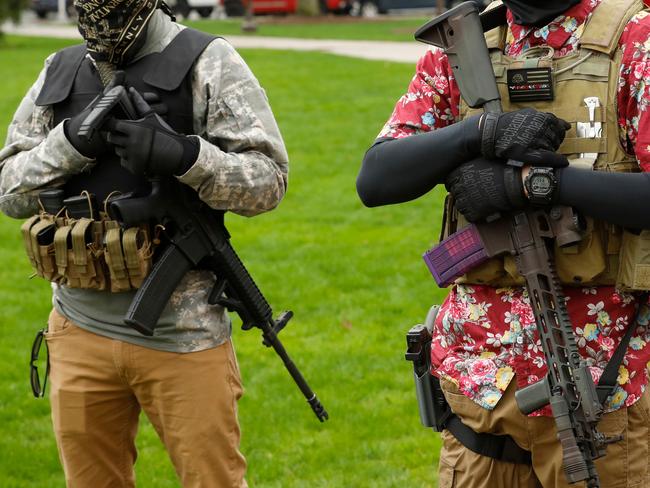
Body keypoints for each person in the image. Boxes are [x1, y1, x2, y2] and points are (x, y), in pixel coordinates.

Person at [357, 0, 650, 486]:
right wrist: (477, 134)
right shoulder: (464, 45)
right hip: (479, 390)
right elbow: (377, 177)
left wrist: (537, 187)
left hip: (600, 388)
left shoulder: (635, 40)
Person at [0, 0, 288, 486]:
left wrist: (185, 156)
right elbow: (9, 190)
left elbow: (268, 182)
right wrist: (69, 144)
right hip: (77, 329)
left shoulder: (208, 61)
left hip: (183, 335)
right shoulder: (62, 69)